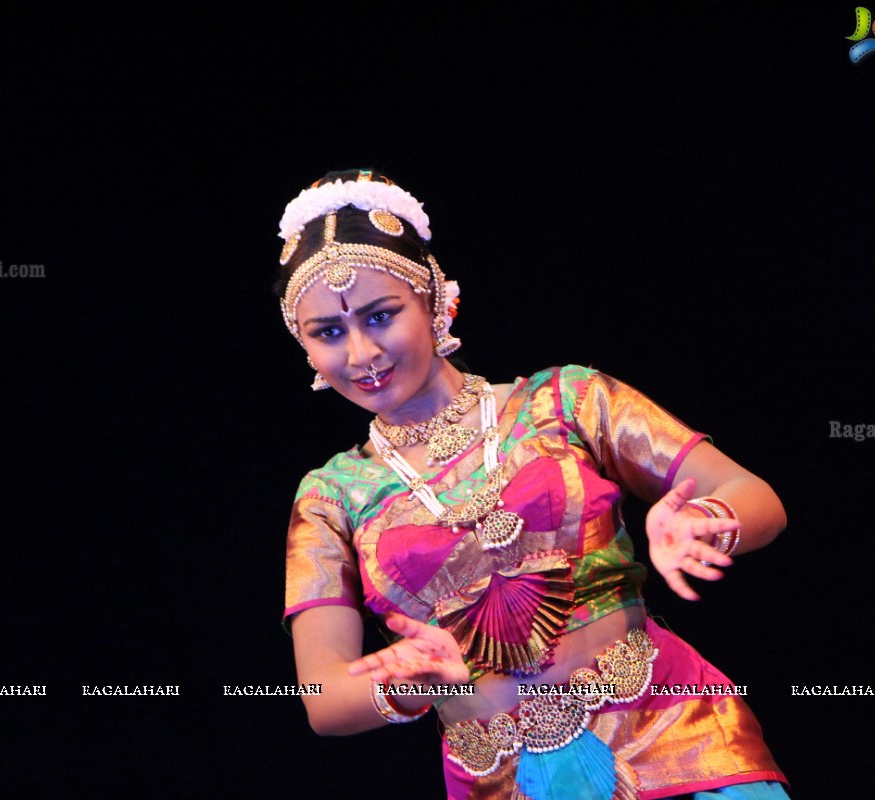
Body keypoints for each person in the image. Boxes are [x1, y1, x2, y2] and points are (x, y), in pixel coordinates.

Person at [275, 169, 790, 800]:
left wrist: (702, 518)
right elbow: (324, 699)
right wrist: (416, 683)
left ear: (435, 301)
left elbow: (755, 497)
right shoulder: (332, 496)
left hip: (674, 735)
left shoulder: (564, 401)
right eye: (328, 332)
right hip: (503, 781)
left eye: (382, 316)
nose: (360, 354)